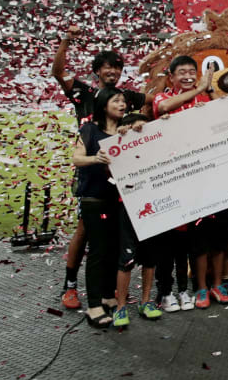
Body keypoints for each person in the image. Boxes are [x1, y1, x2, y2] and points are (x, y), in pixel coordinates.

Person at [52, 25, 149, 310]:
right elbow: (59, 73)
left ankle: (107, 290)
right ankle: (70, 286)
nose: (112, 72)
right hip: (91, 170)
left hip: (120, 175)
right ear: (97, 71)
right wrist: (67, 40)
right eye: (106, 67)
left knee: (112, 234)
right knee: (85, 230)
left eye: (116, 68)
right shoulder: (85, 92)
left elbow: (156, 104)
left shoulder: (126, 96)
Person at [153, 56, 228, 308]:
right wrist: (199, 90)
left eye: (191, 72)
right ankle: (199, 289)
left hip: (213, 177)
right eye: (182, 72)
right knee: (197, 240)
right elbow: (164, 110)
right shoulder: (162, 98)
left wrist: (209, 96)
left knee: (219, 237)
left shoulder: (205, 98)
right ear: (171, 77)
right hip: (182, 180)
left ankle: (217, 284)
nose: (187, 76)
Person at [72, 87, 126, 328]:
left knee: (113, 249)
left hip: (118, 200)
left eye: (124, 101)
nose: (122, 104)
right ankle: (93, 305)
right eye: (117, 101)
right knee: (98, 251)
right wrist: (96, 158)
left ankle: (107, 295)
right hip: (95, 200)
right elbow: (76, 158)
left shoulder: (127, 130)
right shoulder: (89, 130)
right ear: (104, 105)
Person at [111, 114, 164, 328]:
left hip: (153, 207)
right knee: (126, 259)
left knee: (150, 258)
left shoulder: (155, 147)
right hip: (128, 209)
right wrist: (121, 136)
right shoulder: (118, 146)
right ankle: (121, 306)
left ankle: (145, 301)